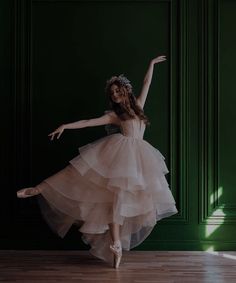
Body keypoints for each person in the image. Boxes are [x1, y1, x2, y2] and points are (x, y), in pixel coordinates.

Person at [16, 55, 178, 268]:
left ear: (125, 91)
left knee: (124, 202)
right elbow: (88, 122)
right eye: (112, 94)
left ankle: (117, 246)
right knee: (87, 181)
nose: (115, 95)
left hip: (139, 157)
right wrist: (65, 125)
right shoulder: (114, 116)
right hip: (122, 155)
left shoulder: (138, 106)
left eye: (118, 91)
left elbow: (147, 83)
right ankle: (39, 189)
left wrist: (151, 64)